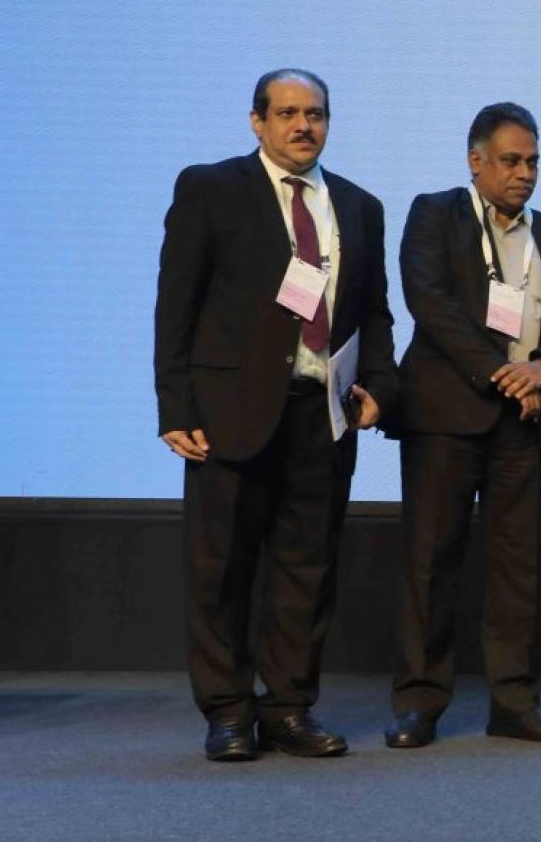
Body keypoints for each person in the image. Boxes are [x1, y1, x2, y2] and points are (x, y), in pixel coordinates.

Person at [154, 68, 399, 761]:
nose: (302, 126)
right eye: (287, 113)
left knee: (307, 569)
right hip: (229, 412)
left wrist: (380, 384)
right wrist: (175, 404)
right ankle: (228, 711)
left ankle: (289, 707)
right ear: (257, 121)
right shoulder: (211, 188)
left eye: (315, 114)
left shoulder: (358, 205)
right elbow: (177, 302)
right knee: (222, 569)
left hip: (322, 414)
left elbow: (375, 310)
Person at [383, 103, 541, 749]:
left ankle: (512, 703)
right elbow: (430, 301)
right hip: (446, 418)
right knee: (431, 561)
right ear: (476, 161)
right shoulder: (434, 213)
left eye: (533, 161)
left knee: (516, 568)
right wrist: (502, 374)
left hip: (525, 424)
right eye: (511, 160)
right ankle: (420, 702)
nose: (524, 173)